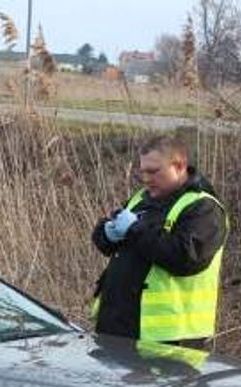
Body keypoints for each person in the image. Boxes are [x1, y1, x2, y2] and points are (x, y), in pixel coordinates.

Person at [90, 134, 229, 349]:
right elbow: (109, 243)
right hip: (118, 327)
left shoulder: (203, 208)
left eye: (154, 171)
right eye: (142, 171)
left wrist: (134, 230)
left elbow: (186, 258)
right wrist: (106, 233)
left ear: (180, 166)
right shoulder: (141, 198)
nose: (146, 179)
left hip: (172, 338)